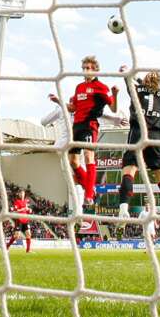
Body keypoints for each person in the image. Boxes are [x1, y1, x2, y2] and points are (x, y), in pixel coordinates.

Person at [49, 56, 115, 240]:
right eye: (84, 67)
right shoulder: (79, 87)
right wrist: (58, 101)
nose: (86, 70)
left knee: (89, 157)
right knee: (73, 162)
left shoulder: (101, 86)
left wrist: (115, 94)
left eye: (89, 67)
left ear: (95, 70)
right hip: (76, 126)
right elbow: (72, 108)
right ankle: (90, 189)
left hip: (90, 125)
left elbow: (113, 107)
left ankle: (89, 195)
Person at [119, 71, 160, 240]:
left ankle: (123, 211)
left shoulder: (137, 90)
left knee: (129, 172)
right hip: (155, 137)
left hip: (138, 133)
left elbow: (129, 81)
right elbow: (149, 88)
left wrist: (127, 74)